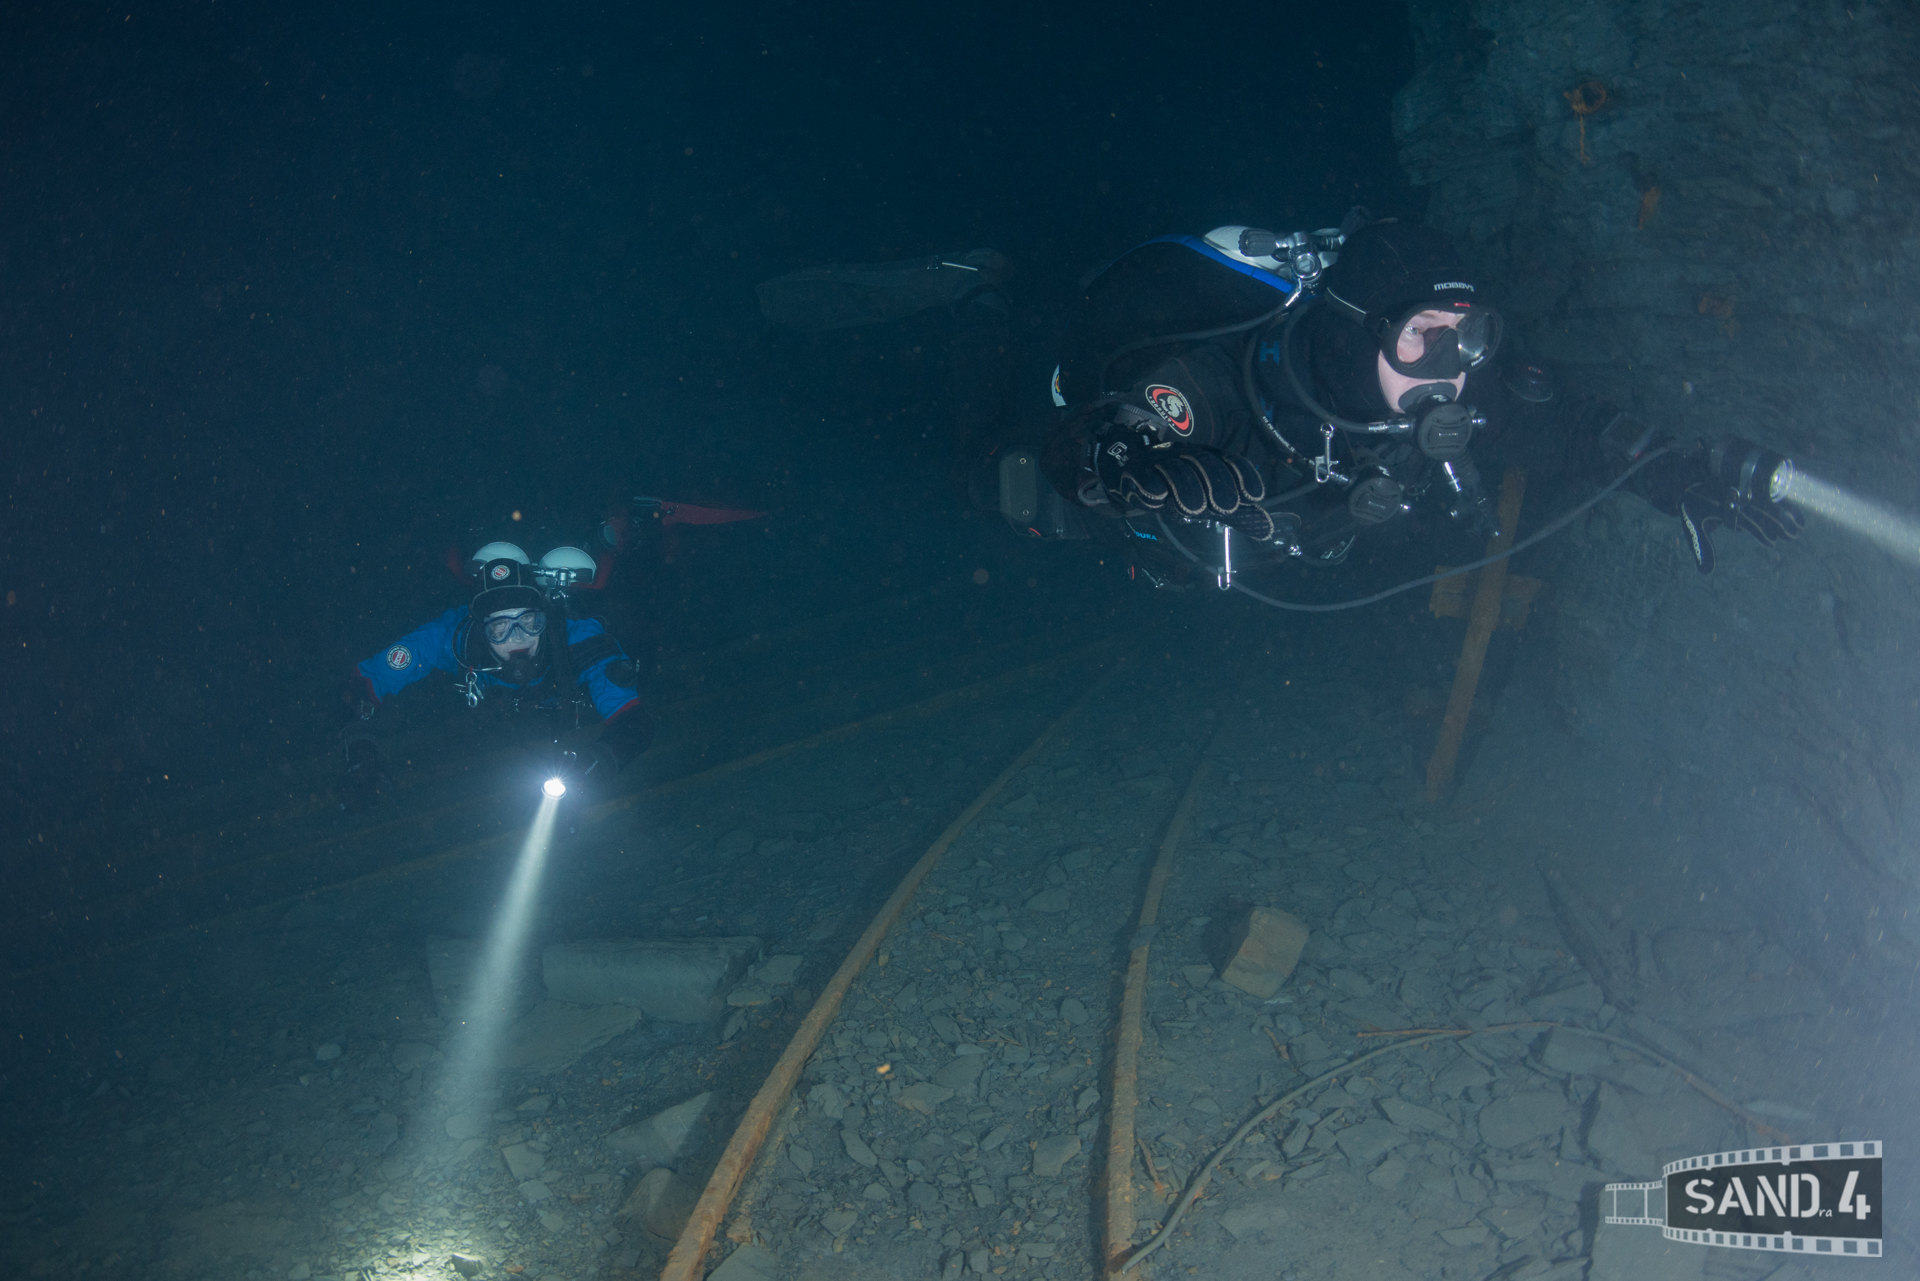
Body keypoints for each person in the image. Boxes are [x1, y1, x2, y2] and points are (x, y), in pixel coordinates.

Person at [1029, 213, 1805, 589]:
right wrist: (1117, 457)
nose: (1451, 369)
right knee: (1013, 490)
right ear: (1352, 334)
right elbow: (1127, 421)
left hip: (1278, 557)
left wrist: (1672, 469)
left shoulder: (1448, 391)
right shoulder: (1236, 377)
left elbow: (1573, 427)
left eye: (1467, 337)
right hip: (1142, 548)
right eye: (1422, 335)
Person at [338, 543, 653, 810]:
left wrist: (596, 762)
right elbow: (365, 681)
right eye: (499, 627)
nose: (517, 637)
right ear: (480, 630)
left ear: (546, 618)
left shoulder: (582, 642)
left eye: (529, 621)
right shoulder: (454, 638)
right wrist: (360, 747)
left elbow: (633, 721)